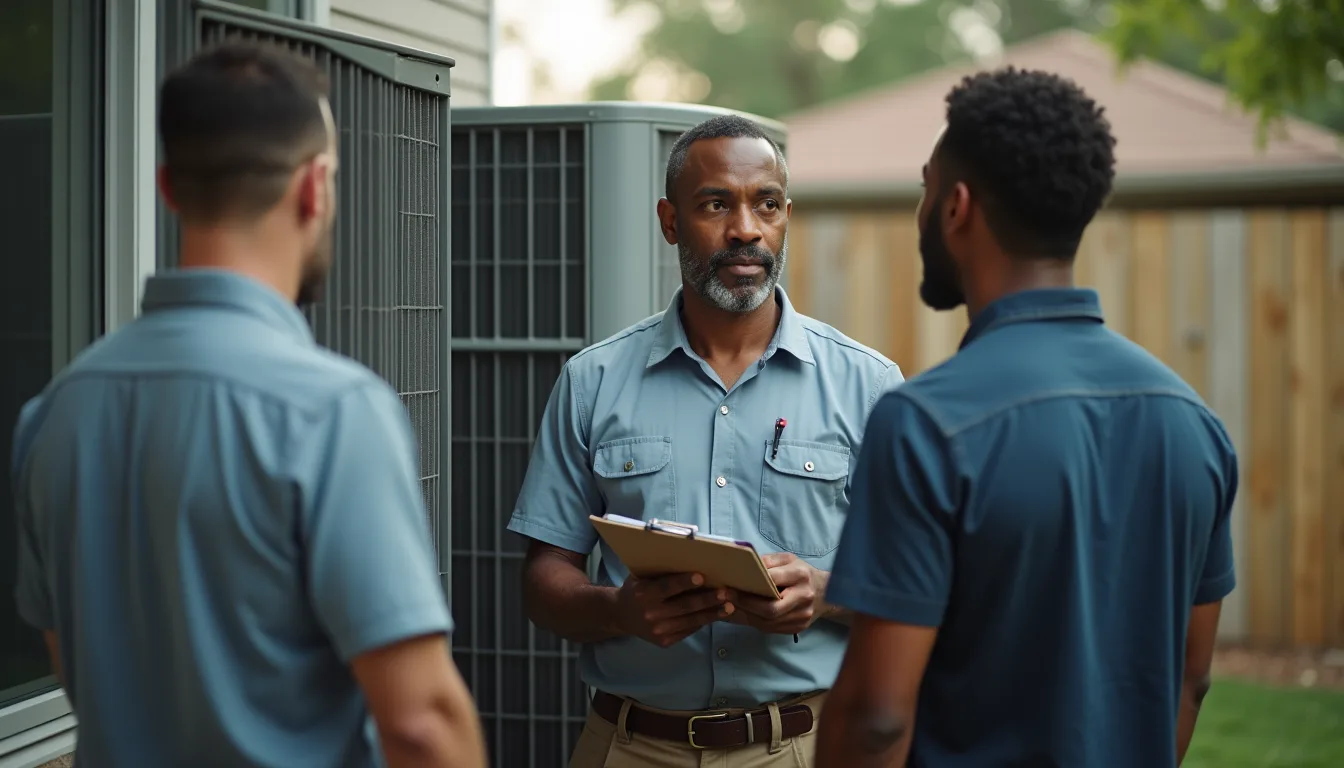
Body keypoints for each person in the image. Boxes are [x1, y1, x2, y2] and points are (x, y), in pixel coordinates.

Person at [11, 41, 486, 768]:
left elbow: (84, 680)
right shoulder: (333, 412)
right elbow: (422, 723)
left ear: (168, 187)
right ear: (315, 187)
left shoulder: (52, 415)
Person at [815, 66, 1238, 768]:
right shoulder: (1194, 424)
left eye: (925, 188)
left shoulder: (923, 425)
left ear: (956, 206)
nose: (919, 210)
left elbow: (877, 720)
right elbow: (1191, 678)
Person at [506, 114, 903, 767]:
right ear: (669, 221)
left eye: (766, 205)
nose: (745, 228)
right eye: (716, 203)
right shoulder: (592, 380)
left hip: (805, 747)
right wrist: (619, 611)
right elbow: (543, 579)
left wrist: (828, 593)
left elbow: (921, 582)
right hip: (629, 746)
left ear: (785, 218)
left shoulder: (868, 385)